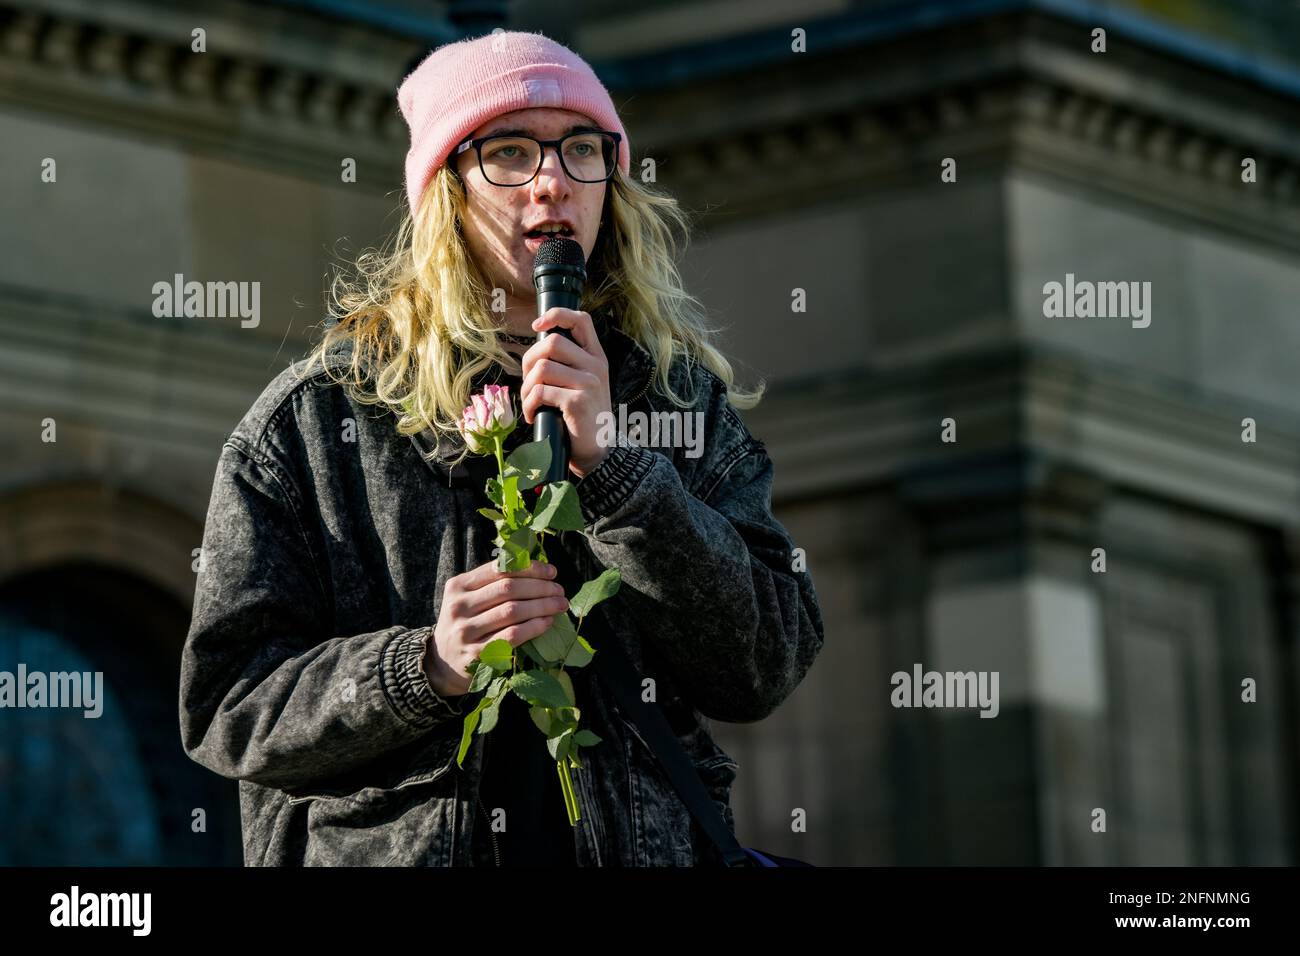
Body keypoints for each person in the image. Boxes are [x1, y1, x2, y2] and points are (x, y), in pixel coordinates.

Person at [178, 29, 825, 867]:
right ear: (445, 190)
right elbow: (228, 704)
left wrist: (623, 475)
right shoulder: (315, 422)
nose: (553, 180)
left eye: (582, 149)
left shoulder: (675, 402)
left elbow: (765, 663)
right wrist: (424, 666)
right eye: (511, 152)